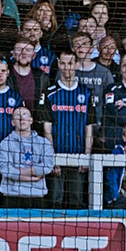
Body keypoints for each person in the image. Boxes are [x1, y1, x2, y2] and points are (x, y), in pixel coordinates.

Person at [39, 51, 95, 209]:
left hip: (78, 158)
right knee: (55, 200)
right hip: (57, 156)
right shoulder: (49, 93)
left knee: (76, 201)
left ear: (77, 65)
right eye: (63, 63)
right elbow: (46, 130)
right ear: (58, 64)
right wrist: (52, 158)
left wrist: (86, 156)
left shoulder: (86, 92)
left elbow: (89, 128)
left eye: (70, 63)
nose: (67, 68)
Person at [0, 106, 54, 208]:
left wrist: (18, 171)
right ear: (13, 122)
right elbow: (5, 170)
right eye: (17, 116)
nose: (21, 118)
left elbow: (47, 167)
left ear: (31, 120)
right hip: (12, 196)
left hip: (37, 195)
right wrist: (32, 178)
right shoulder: (5, 143)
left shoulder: (43, 142)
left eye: (25, 115)